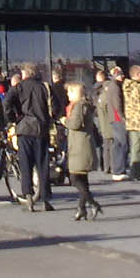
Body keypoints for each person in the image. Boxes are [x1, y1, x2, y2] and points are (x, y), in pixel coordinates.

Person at [6, 64, 54, 212]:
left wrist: (14, 119)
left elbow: (6, 104)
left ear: (24, 74)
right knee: (42, 164)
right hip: (41, 129)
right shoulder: (44, 87)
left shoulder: (18, 88)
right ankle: (45, 199)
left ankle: (28, 197)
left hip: (24, 128)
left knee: (25, 164)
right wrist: (49, 119)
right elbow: (56, 106)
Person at [63, 82, 101, 221]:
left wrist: (65, 121)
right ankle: (81, 208)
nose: (67, 94)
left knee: (74, 178)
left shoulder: (79, 106)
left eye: (69, 92)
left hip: (80, 146)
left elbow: (75, 124)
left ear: (75, 93)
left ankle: (93, 203)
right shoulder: (83, 105)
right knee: (83, 179)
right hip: (81, 144)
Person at [97, 67, 127, 180]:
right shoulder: (115, 87)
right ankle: (119, 170)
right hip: (117, 119)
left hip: (114, 119)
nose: (122, 76)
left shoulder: (111, 87)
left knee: (117, 144)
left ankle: (117, 169)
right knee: (122, 144)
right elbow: (117, 105)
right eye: (120, 75)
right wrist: (123, 118)